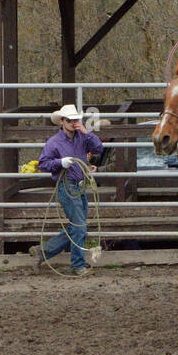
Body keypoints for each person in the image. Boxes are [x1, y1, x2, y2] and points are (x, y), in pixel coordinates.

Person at [32, 103, 103, 275]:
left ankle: (44, 252)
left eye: (75, 120)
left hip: (79, 186)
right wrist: (60, 163)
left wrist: (87, 132)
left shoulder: (82, 137)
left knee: (78, 226)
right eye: (70, 120)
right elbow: (43, 164)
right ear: (62, 121)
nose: (73, 123)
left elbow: (99, 148)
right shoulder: (54, 142)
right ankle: (77, 265)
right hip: (67, 185)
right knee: (79, 226)